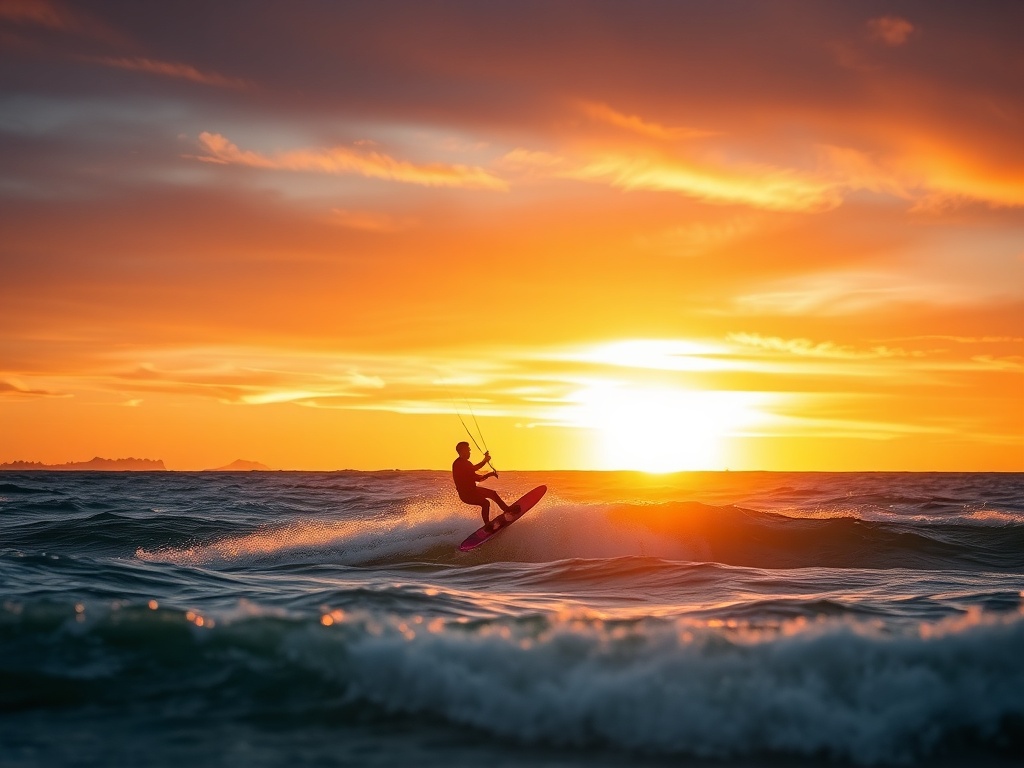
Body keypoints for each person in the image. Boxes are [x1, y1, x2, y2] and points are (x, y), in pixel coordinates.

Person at [452, 441, 517, 531]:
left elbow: (478, 479)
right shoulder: (459, 463)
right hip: (466, 495)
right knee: (485, 503)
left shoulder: (466, 463)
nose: (470, 451)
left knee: (493, 494)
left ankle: (507, 510)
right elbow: (475, 469)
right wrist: (485, 461)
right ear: (462, 451)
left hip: (473, 490)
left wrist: (489, 474)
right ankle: (487, 525)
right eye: (468, 449)